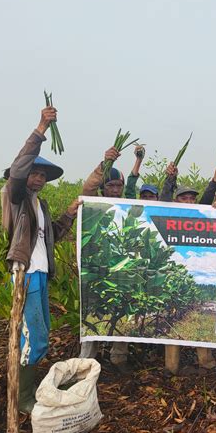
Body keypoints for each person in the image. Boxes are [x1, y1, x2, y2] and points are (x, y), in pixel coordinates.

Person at [1, 106, 80, 413]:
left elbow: (53, 234)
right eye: (35, 173)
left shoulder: (40, 205)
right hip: (26, 274)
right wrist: (41, 128)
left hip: (40, 275)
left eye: (43, 175)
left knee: (36, 337)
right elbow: (19, 167)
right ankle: (22, 400)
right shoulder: (16, 197)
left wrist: (70, 214)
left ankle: (26, 391)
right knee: (35, 340)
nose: (39, 178)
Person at [80, 145, 131, 372]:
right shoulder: (93, 202)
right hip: (97, 269)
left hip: (121, 269)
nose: (115, 189)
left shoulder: (131, 205)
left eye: (118, 185)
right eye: (110, 185)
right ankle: (85, 363)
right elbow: (87, 187)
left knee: (122, 311)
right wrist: (104, 164)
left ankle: (119, 359)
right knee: (93, 313)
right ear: (103, 188)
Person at [163, 184, 216, 374]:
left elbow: (208, 204)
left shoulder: (199, 216)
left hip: (195, 275)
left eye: (191, 198)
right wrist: (170, 178)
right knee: (171, 325)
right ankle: (171, 368)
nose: (188, 201)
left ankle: (206, 363)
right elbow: (162, 199)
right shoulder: (169, 215)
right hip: (173, 277)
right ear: (176, 200)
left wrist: (214, 207)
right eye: (183, 198)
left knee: (200, 325)